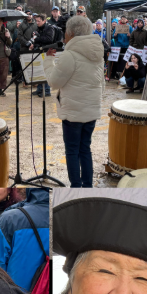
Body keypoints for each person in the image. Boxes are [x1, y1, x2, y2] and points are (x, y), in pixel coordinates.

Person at [45, 15, 103, 188]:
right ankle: (87, 185)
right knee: (85, 149)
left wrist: (48, 60)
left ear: (70, 33)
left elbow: (54, 82)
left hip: (73, 112)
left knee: (72, 151)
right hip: (91, 110)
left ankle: (76, 187)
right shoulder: (97, 53)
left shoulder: (70, 55)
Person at [31, 13, 62, 97]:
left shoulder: (49, 28)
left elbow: (49, 39)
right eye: (36, 21)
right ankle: (39, 89)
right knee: (40, 69)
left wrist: (37, 38)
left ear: (44, 21)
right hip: (41, 51)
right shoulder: (40, 28)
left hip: (47, 52)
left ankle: (47, 91)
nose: (37, 22)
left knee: (46, 69)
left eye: (39, 21)